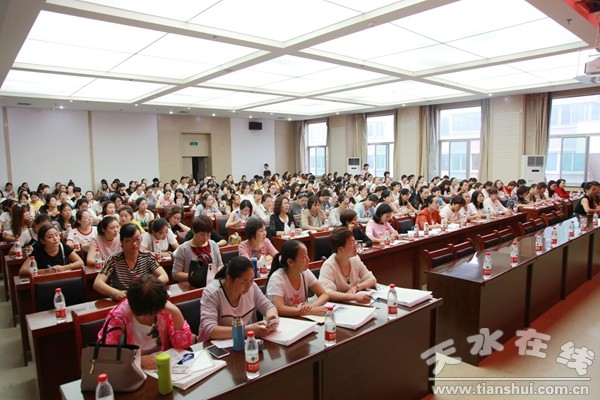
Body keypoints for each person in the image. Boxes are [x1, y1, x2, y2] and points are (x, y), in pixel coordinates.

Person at [99, 275, 193, 369]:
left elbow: (183, 345)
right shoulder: (118, 317)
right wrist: (138, 361)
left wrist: (176, 312)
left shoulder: (162, 308)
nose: (151, 316)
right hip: (133, 371)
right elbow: (106, 355)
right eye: (148, 314)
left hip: (161, 366)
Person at [199, 256, 279, 342]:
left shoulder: (252, 287)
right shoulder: (212, 293)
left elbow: (268, 306)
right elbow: (209, 329)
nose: (249, 286)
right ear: (229, 279)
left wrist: (272, 317)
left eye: (251, 280)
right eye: (244, 282)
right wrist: (246, 330)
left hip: (245, 342)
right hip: (217, 345)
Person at [93, 223, 168, 301]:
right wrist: (116, 293)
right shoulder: (113, 259)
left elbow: (164, 276)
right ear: (121, 242)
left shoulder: (147, 256)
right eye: (129, 240)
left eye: (137, 239)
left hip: (143, 297)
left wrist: (148, 287)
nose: (134, 244)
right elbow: (97, 283)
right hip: (121, 300)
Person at [266, 240, 329, 316]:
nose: (308, 260)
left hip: (300, 318)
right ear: (290, 262)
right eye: (304, 257)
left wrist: (313, 305)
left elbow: (324, 294)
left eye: (307, 255)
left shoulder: (305, 272)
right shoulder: (277, 279)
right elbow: (279, 309)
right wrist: (309, 311)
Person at [319, 227, 376, 304]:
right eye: (352, 243)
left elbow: (372, 280)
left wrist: (356, 287)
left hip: (350, 304)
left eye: (355, 242)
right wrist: (354, 297)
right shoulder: (329, 265)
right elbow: (326, 292)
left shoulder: (355, 259)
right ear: (340, 249)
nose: (356, 245)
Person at [172, 215, 224, 282]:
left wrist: (216, 274)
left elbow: (220, 265)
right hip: (191, 284)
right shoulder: (183, 249)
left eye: (208, 234)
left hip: (212, 283)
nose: (205, 238)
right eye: (202, 235)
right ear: (194, 231)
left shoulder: (213, 245)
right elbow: (175, 274)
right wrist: (196, 276)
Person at [19, 224, 84, 275]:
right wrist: (45, 271)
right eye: (50, 237)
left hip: (63, 278)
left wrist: (64, 268)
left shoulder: (63, 247)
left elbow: (80, 262)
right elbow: (22, 270)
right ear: (42, 241)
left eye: (56, 235)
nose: (55, 239)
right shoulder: (38, 251)